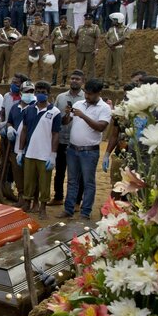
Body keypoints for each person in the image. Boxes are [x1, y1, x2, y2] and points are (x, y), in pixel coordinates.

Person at [57, 78, 111, 221]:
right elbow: (65, 122)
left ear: (99, 93)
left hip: (90, 151)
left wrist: (83, 115)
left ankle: (85, 212)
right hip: (73, 149)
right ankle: (68, 209)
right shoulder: (79, 103)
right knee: (72, 181)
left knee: (88, 182)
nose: (87, 96)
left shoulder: (104, 108)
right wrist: (68, 114)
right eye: (86, 93)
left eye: (91, 94)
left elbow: (101, 127)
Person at [16, 81, 60, 219]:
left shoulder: (54, 112)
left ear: (49, 94)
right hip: (29, 152)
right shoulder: (28, 110)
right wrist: (20, 150)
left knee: (44, 182)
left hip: (45, 154)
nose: (41, 94)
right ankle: (27, 204)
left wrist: (53, 154)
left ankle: (42, 208)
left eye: (44, 92)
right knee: (28, 180)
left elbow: (55, 134)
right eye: (39, 92)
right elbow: (24, 130)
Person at [50, 70, 85, 207]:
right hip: (62, 140)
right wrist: (66, 115)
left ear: (83, 81)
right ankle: (58, 197)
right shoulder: (60, 97)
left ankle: (76, 201)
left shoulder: (85, 99)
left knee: (77, 173)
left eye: (77, 79)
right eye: (72, 78)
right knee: (59, 171)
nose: (74, 81)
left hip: (77, 141)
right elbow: (56, 119)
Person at [5, 81, 35, 207]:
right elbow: (9, 121)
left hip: (30, 148)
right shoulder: (14, 107)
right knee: (17, 174)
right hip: (15, 146)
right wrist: (10, 128)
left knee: (29, 176)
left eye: (31, 92)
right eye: (26, 91)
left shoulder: (35, 108)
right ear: (21, 92)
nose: (29, 94)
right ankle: (21, 198)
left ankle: (30, 200)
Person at [104, 13, 131, 89]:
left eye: (114, 20)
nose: (113, 21)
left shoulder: (125, 29)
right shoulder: (111, 29)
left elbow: (124, 38)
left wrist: (113, 44)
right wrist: (109, 44)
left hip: (119, 48)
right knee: (108, 65)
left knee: (118, 66)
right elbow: (106, 38)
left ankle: (118, 82)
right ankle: (106, 81)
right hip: (110, 48)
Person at [0, 17, 21, 83]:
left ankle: (6, 79)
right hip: (1, 48)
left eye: (7, 22)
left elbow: (20, 36)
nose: (5, 24)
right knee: (0, 64)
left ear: (10, 22)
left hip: (8, 48)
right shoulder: (0, 30)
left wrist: (15, 40)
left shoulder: (13, 30)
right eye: (4, 22)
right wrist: (8, 42)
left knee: (7, 64)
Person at [75, 14, 100, 79]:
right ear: (84, 20)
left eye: (89, 20)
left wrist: (96, 49)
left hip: (90, 50)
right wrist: (77, 46)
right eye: (86, 19)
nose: (87, 21)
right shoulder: (80, 27)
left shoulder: (95, 27)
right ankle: (78, 80)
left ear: (92, 20)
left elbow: (97, 38)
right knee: (78, 67)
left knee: (90, 68)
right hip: (80, 50)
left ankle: (90, 81)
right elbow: (76, 37)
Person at [51, 16, 74, 87]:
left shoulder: (70, 29)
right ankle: (54, 81)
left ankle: (63, 81)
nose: (62, 23)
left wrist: (66, 40)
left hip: (65, 48)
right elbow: (51, 39)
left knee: (65, 65)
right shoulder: (56, 29)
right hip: (56, 48)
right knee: (55, 65)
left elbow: (74, 40)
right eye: (61, 22)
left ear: (66, 21)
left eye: (63, 22)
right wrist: (50, 50)